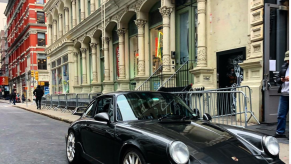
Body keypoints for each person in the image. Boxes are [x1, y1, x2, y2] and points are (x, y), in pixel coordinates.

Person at [274, 51, 289, 138]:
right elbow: (277, 79)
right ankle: (280, 132)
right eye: (287, 60)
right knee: (281, 115)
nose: (287, 61)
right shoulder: (284, 67)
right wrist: (282, 80)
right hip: (284, 94)